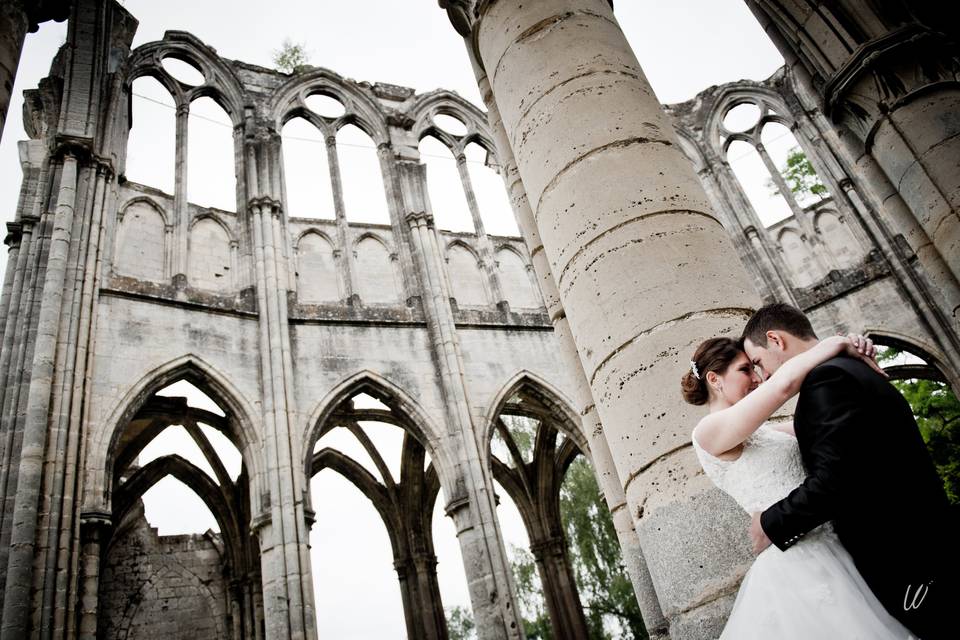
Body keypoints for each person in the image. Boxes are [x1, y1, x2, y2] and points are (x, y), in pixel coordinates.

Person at [743, 303, 957, 640]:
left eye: (758, 362)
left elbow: (835, 479)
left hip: (906, 560)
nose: (762, 376)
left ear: (776, 340)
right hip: (924, 548)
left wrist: (770, 523)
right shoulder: (849, 369)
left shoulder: (825, 379)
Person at [682, 333, 914, 639]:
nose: (757, 378)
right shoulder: (708, 432)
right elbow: (783, 386)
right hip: (799, 564)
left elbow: (831, 427)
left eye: (755, 368)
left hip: (840, 546)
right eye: (745, 370)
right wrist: (835, 342)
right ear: (714, 379)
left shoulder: (769, 433)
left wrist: (851, 358)